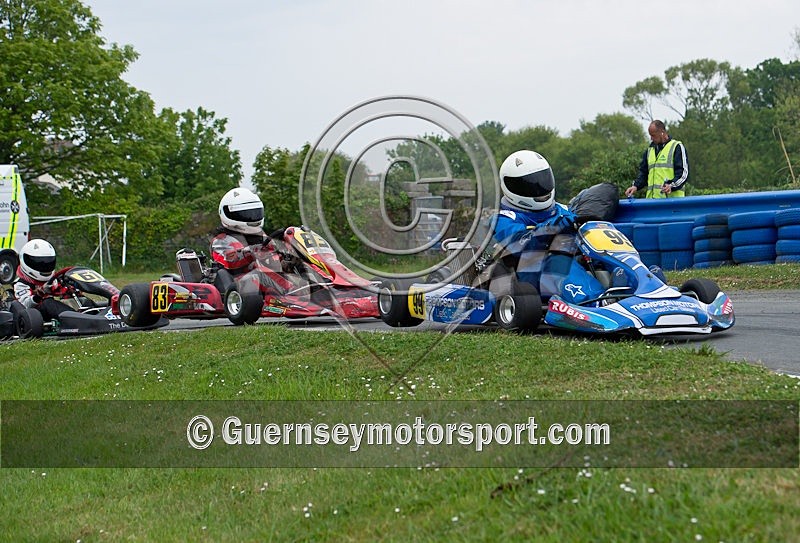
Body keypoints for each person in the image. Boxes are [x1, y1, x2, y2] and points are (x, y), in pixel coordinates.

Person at [493, 150, 604, 303]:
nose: (538, 189)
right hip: (531, 274)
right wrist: (557, 227)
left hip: (573, 262)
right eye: (530, 185)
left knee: (603, 260)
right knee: (558, 261)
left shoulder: (561, 209)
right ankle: (594, 301)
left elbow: (575, 226)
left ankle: (626, 293)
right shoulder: (504, 217)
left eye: (542, 181)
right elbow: (520, 242)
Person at [625, 120, 688, 198]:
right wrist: (635, 186)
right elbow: (643, 173)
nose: (651, 138)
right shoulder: (649, 151)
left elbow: (683, 174)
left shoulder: (676, 147)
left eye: (653, 135)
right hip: (652, 202)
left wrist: (671, 185)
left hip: (671, 202)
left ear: (662, 132)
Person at [13, 238, 72, 320]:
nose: (45, 266)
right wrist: (39, 295)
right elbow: (25, 305)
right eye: (40, 263)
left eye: (48, 262)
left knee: (81, 299)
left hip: (56, 311)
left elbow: (61, 291)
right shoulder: (21, 283)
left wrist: (70, 289)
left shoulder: (55, 278)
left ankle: (87, 314)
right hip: (35, 316)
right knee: (48, 303)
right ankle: (76, 319)